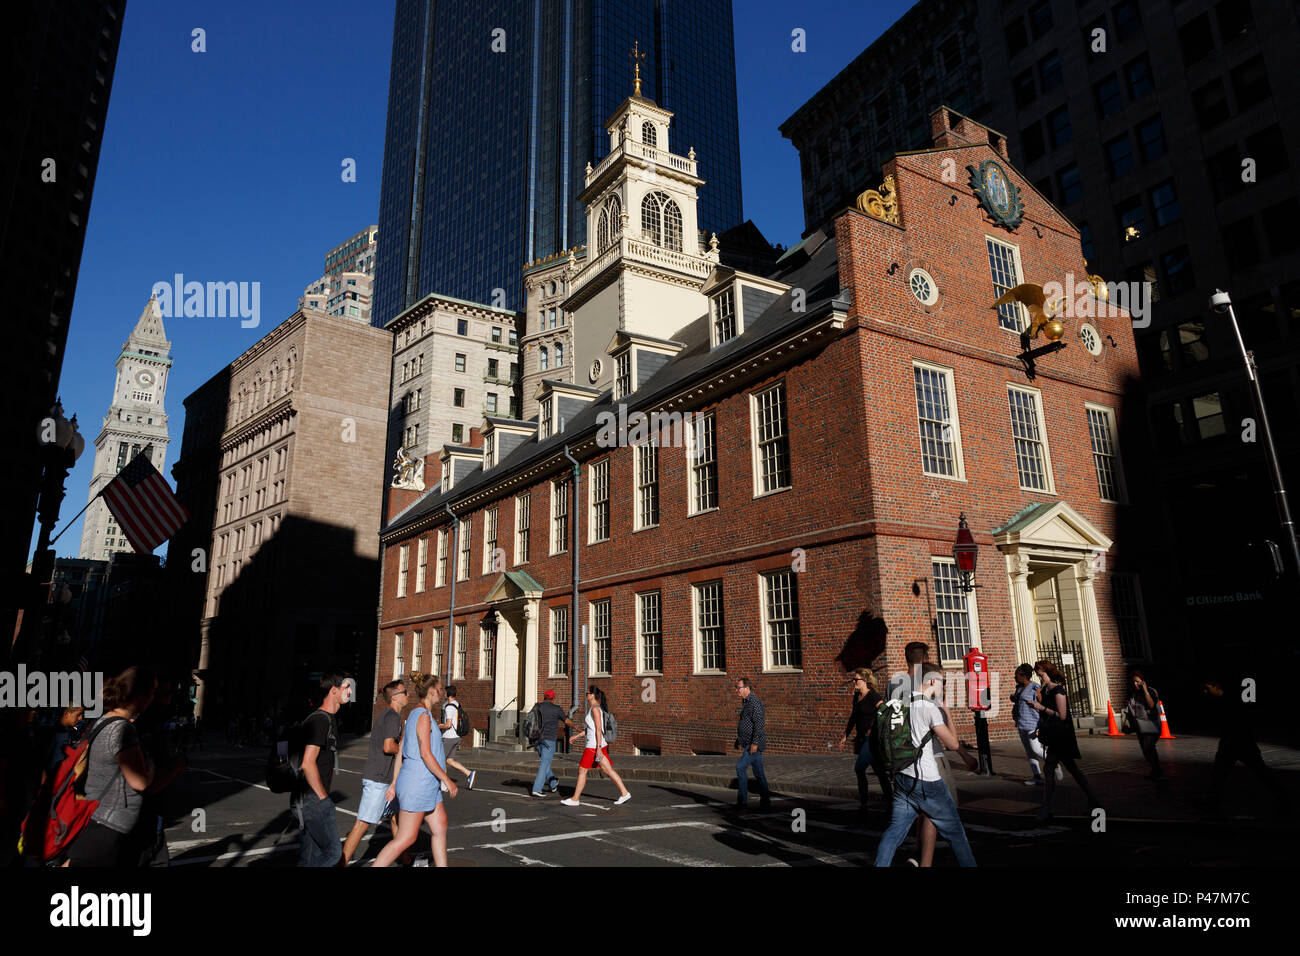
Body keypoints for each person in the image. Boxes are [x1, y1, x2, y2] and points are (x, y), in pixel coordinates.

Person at [874, 664, 979, 867]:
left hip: (903, 777)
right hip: (927, 780)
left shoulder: (901, 701)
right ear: (932, 681)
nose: (943, 686)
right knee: (956, 834)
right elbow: (952, 744)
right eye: (943, 682)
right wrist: (947, 714)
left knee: (894, 832)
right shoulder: (929, 707)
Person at [66, 667, 158, 867]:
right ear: (140, 695)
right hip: (110, 825)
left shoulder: (104, 720)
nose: (152, 699)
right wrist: (151, 768)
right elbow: (139, 782)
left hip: (94, 817)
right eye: (151, 693)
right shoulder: (123, 728)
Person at [375, 673, 458, 867]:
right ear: (431, 691)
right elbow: (426, 754)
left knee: (440, 825)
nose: (442, 693)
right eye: (439, 689)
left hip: (426, 784)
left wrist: (395, 783)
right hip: (418, 783)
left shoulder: (414, 714)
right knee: (406, 838)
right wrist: (447, 779)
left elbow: (401, 751)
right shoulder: (423, 716)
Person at [341, 679, 407, 865]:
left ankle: (406, 857)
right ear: (395, 698)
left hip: (386, 778)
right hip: (379, 780)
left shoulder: (389, 716)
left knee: (396, 819)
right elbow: (388, 746)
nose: (408, 695)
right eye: (405, 692)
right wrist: (404, 748)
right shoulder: (392, 717)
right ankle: (341, 862)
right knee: (363, 824)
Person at [1203, 676, 1288, 815]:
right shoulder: (1223, 702)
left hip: (1240, 744)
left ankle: (1283, 797)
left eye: (1208, 688)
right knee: (1220, 775)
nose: (1205, 692)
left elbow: (1239, 724)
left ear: (1216, 687)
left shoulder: (1229, 702)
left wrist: (1229, 741)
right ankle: (1212, 802)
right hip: (1236, 744)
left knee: (1259, 773)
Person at [1029, 660, 1099, 819]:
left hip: (1062, 736)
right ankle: (1093, 800)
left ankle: (1046, 808)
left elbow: (1062, 715)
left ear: (1049, 673)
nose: (1040, 677)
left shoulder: (1058, 690)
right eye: (1039, 674)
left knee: (1052, 769)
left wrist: (1042, 708)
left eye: (1042, 674)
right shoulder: (1046, 691)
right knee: (1071, 769)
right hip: (1054, 736)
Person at [294, 670, 351, 867]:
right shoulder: (320, 720)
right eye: (347, 687)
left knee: (309, 857)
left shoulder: (329, 719)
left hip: (309, 799)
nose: (350, 692)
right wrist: (324, 799)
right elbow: (308, 763)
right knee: (333, 853)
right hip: (312, 800)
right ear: (334, 690)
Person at [561, 686, 631, 807]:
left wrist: (598, 748)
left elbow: (598, 729)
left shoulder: (595, 709)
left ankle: (575, 799)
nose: (586, 695)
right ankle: (625, 793)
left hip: (593, 746)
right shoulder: (594, 708)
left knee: (582, 770)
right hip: (597, 744)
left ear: (592, 695)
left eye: (587, 693)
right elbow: (591, 729)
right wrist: (577, 736)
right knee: (607, 770)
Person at [838, 668, 890, 812]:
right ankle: (889, 801)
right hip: (863, 739)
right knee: (879, 771)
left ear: (865, 681)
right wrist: (845, 735)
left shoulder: (874, 696)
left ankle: (864, 802)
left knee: (859, 768)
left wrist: (873, 727)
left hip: (872, 739)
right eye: (854, 679)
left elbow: (885, 712)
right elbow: (853, 717)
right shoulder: (857, 696)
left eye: (857, 679)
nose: (854, 682)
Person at [1011, 664, 1060, 786]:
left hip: (1033, 723)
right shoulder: (1019, 688)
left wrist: (1039, 696)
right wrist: (1013, 697)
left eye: (1016, 675)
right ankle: (1036, 776)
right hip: (1021, 723)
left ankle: (1054, 763)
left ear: (1024, 676)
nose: (1014, 677)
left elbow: (1042, 703)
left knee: (1036, 749)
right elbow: (1017, 701)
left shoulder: (1035, 687)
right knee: (1029, 751)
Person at [731, 677, 772, 811]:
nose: (737, 690)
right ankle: (766, 801)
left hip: (753, 744)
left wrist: (755, 743)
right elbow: (746, 723)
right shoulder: (746, 702)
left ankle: (742, 802)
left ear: (747, 689)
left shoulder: (754, 702)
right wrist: (739, 739)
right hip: (748, 742)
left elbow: (759, 724)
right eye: (737, 688)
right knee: (759, 774)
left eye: (739, 688)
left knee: (740, 768)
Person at [531, 689, 577, 797]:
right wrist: (575, 726)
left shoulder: (537, 706)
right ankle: (537, 789)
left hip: (537, 739)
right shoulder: (556, 709)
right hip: (549, 740)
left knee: (545, 763)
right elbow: (566, 721)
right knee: (544, 764)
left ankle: (553, 783)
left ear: (544, 696)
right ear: (553, 698)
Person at [1124, 668, 1163, 780]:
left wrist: (1145, 690)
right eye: (1133, 682)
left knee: (1149, 747)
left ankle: (1157, 771)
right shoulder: (1132, 695)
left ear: (1142, 681)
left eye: (1137, 681)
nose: (1135, 684)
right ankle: (1155, 770)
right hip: (1140, 726)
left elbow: (1151, 705)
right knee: (1146, 751)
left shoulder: (1150, 691)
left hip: (1151, 725)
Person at [438, 686, 476, 792]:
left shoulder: (449, 707)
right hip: (457, 736)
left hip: (449, 737)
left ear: (447, 694)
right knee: (449, 760)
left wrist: (438, 726)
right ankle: (469, 773)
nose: (443, 694)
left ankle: (444, 785)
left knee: (441, 760)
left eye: (444, 692)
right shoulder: (457, 704)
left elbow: (448, 725)